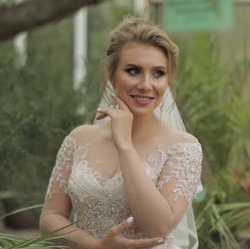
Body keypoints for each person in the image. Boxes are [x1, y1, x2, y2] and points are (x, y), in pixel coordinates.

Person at [40, 16, 202, 249]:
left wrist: (124, 145)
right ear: (111, 75)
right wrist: (96, 246)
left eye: (158, 73)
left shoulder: (184, 148)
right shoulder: (79, 138)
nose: (146, 84)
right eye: (134, 70)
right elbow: (49, 217)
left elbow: (158, 229)